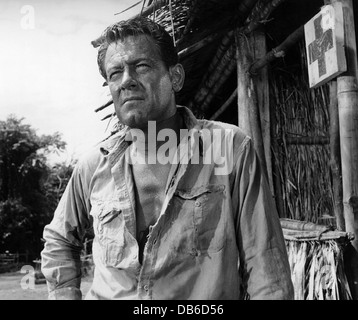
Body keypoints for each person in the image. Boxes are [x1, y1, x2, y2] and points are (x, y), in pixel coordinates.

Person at [41, 17, 294, 300]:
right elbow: (59, 239)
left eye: (141, 66)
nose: (126, 81)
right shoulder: (93, 165)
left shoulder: (227, 148)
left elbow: (265, 265)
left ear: (174, 77)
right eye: (114, 73)